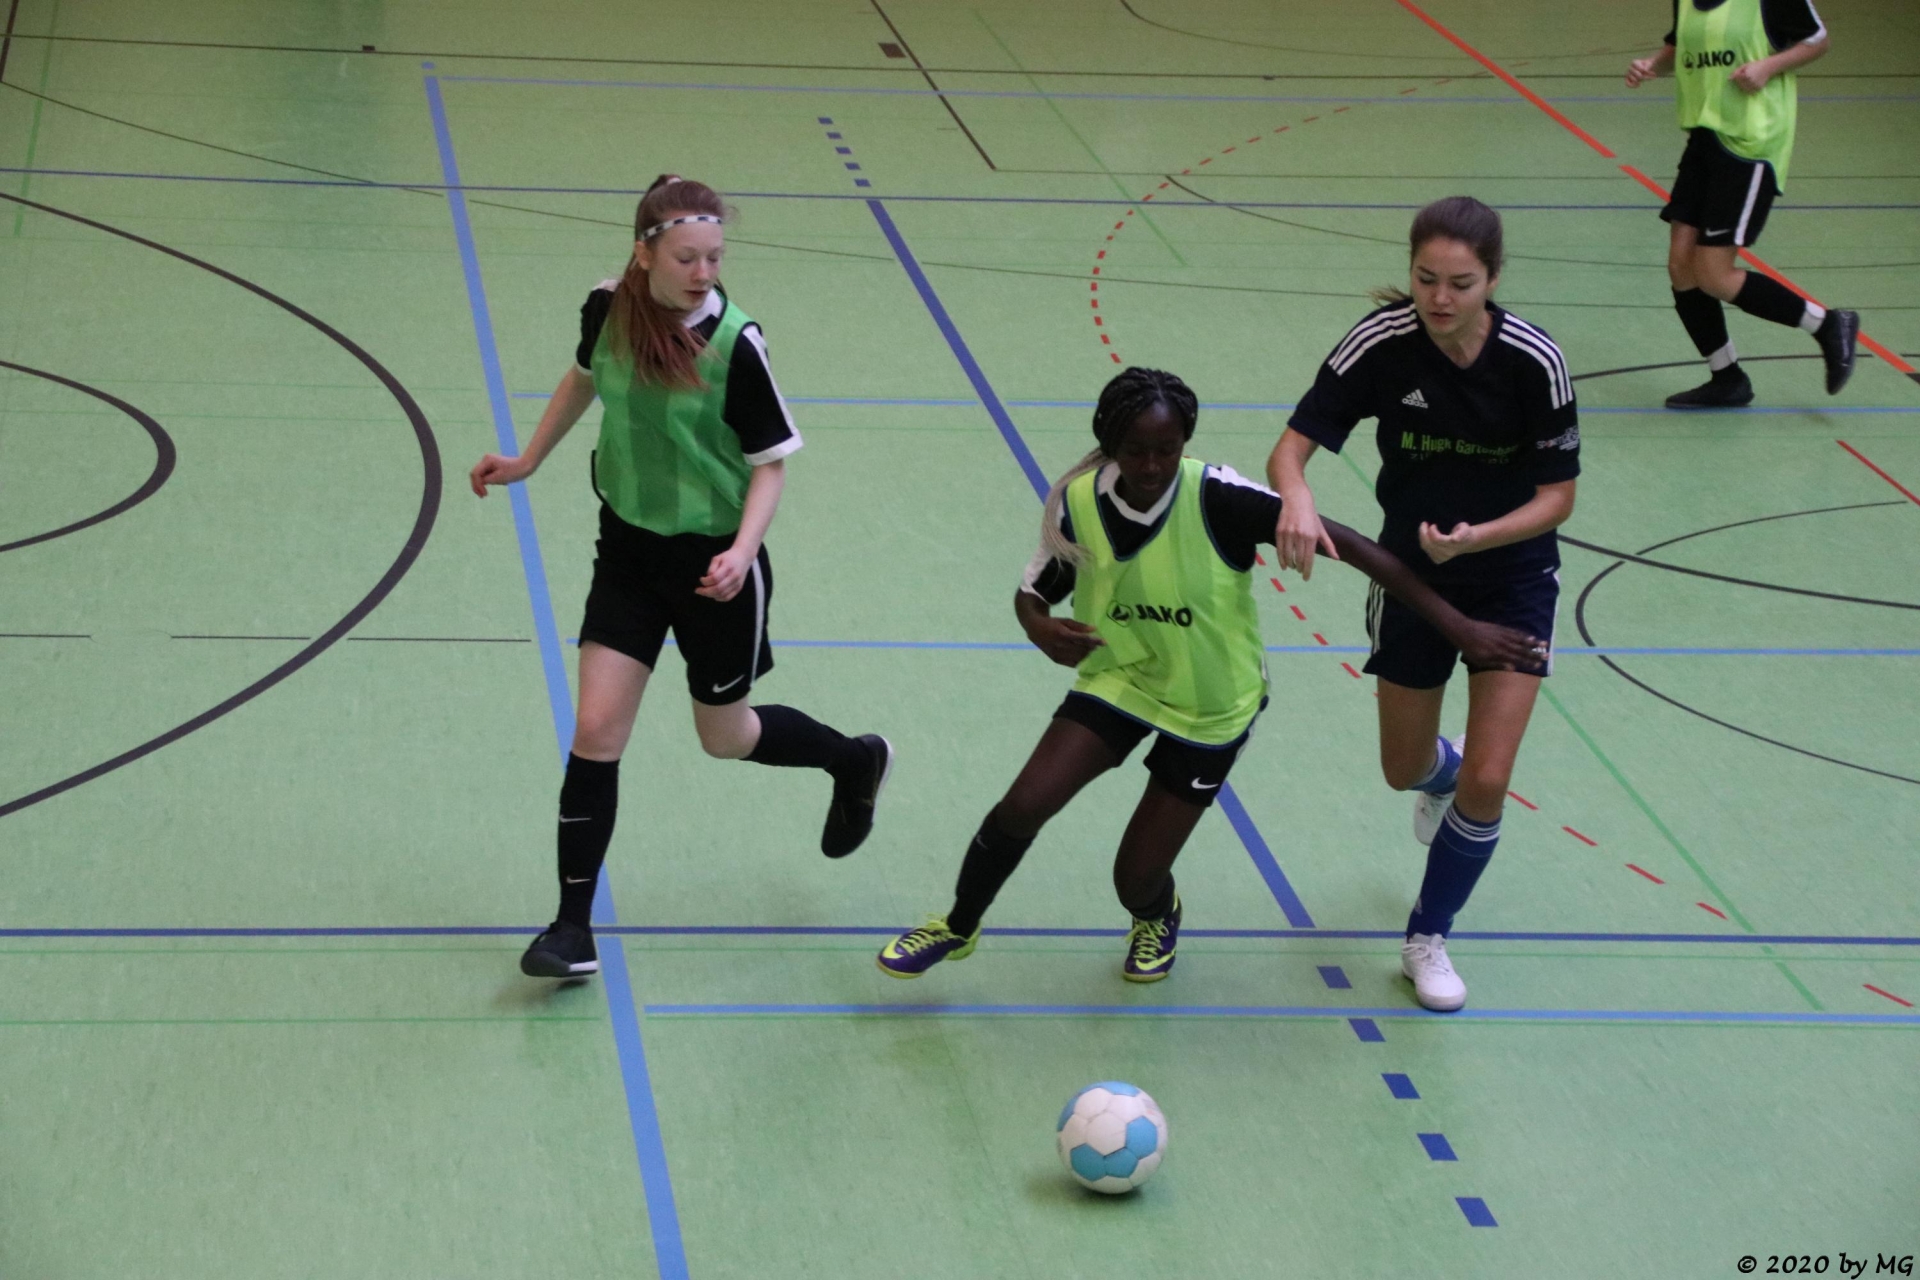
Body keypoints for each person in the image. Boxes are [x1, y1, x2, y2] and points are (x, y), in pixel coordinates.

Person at [876, 367, 1540, 985]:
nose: (1151, 466)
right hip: (1121, 678)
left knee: (1134, 878)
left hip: (1212, 707)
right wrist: (1037, 626)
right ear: (1109, 445)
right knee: (1023, 805)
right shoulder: (1079, 501)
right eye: (1136, 451)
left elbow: (1360, 549)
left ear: (1184, 443)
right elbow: (1034, 590)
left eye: (1166, 450)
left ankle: (1156, 916)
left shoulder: (1220, 498)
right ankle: (957, 926)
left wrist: (1461, 627)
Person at [470, 174, 892, 980]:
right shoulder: (607, 307)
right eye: (688, 258)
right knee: (596, 730)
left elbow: (770, 466)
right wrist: (528, 459)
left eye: (715, 258)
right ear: (645, 253)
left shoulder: (735, 343)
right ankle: (570, 930)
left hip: (714, 568)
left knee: (724, 737)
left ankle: (852, 760)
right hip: (628, 549)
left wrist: (741, 552)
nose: (704, 272)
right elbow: (585, 377)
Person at [1268, 196, 1577, 1012]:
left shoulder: (1534, 361)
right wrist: (1297, 495)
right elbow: (1291, 448)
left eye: (1460, 284)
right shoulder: (1382, 342)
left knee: (1491, 775)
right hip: (1410, 577)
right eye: (1425, 278)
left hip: (1512, 578)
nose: (1439, 298)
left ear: (1493, 280)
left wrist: (1477, 539)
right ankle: (1439, 775)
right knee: (1402, 769)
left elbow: (1558, 497)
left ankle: (1427, 936)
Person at [1625, 0, 1857, 408]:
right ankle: (1727, 377)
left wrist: (1768, 66)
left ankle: (1826, 324)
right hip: (1704, 136)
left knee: (1713, 273)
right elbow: (1682, 47)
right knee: (1681, 266)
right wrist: (1652, 65)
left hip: (1750, 144)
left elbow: (1817, 40)